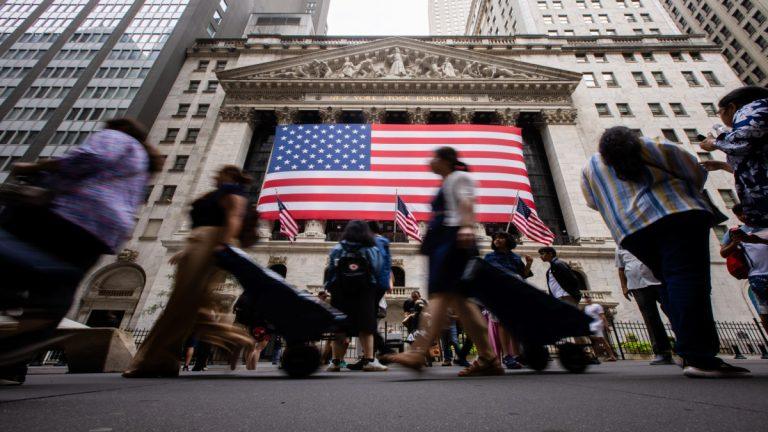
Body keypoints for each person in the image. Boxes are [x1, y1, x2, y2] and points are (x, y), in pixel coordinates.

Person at [0, 118, 160, 385]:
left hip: (73, 213)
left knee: (16, 253)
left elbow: (90, 156)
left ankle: (11, 294)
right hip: (106, 230)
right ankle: (13, 360)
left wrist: (37, 166)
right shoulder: (142, 164)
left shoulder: (118, 138)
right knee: (57, 290)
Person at [582, 126, 750, 378]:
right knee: (689, 281)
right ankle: (699, 357)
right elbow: (693, 168)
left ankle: (688, 350)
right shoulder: (647, 144)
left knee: (670, 283)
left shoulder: (590, 167)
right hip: (676, 214)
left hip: (631, 231)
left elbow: (591, 202)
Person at [123, 165, 255, 378]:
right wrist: (187, 249)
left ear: (230, 176)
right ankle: (235, 338)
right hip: (199, 243)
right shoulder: (217, 193)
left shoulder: (233, 191)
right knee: (193, 305)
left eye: (219, 174)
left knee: (182, 302)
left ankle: (158, 360)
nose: (215, 176)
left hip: (211, 243)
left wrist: (222, 245)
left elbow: (234, 216)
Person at [385, 146, 503, 377]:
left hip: (453, 239)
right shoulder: (447, 181)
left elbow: (467, 203)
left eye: (434, 157)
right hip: (443, 240)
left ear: (445, 160)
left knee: (441, 295)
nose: (430, 161)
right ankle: (488, 358)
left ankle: (418, 352)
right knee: (461, 302)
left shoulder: (460, 177)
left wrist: (467, 227)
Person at [323, 220, 388, 372]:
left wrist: (331, 287)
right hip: (364, 291)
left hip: (341, 291)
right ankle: (369, 361)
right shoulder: (371, 248)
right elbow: (378, 269)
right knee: (366, 327)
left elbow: (330, 269)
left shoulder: (338, 248)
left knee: (340, 328)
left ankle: (336, 362)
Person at [700, 86, 768, 228]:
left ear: (731, 108)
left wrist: (714, 142)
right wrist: (721, 165)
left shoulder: (753, 109)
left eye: (719, 112)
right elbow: (754, 168)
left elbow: (743, 141)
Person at [484, 231, 533, 369]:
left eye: (501, 237)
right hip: (499, 290)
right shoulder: (489, 257)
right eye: (495, 238)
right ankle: (507, 355)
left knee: (515, 323)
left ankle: (517, 354)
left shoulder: (515, 257)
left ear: (508, 240)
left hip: (516, 290)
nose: (497, 240)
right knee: (503, 322)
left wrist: (529, 263)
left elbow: (523, 275)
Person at [616, 247, 673, 365]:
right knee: (650, 318)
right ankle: (662, 352)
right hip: (637, 285)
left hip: (658, 281)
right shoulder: (620, 247)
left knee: (673, 311)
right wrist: (624, 287)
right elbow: (621, 269)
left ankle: (688, 344)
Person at [720, 203, 768, 312]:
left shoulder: (765, 225)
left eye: (744, 213)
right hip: (757, 276)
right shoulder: (733, 233)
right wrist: (735, 243)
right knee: (764, 311)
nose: (743, 216)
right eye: (739, 214)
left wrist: (759, 240)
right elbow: (723, 253)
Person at [583, 295, 617, 362]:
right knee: (597, 339)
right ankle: (607, 355)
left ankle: (610, 355)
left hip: (597, 324)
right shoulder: (586, 308)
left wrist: (606, 325)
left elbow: (602, 316)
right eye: (586, 298)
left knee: (599, 339)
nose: (587, 299)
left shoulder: (597, 306)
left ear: (591, 298)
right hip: (591, 325)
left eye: (588, 298)